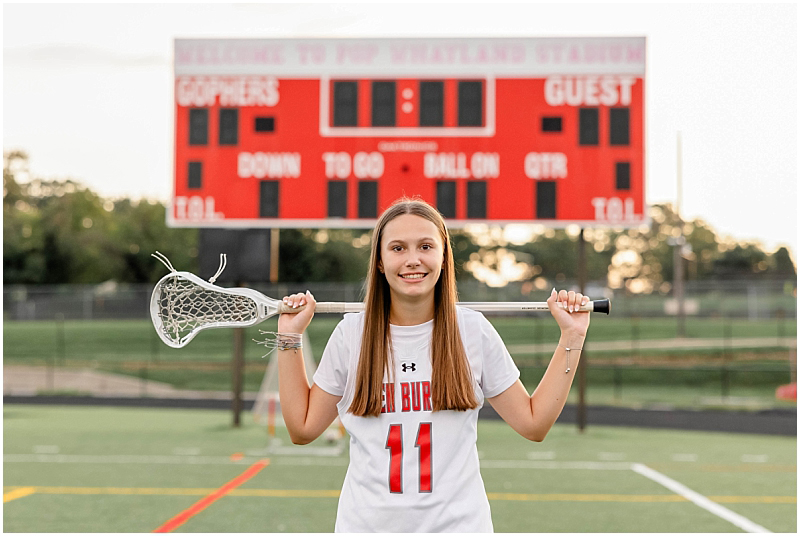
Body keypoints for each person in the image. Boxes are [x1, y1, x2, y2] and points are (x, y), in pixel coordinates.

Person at [277, 198, 591, 533]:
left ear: (443, 256)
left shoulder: (472, 330)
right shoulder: (351, 334)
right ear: (380, 262)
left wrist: (572, 335)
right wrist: (289, 338)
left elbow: (534, 423)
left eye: (426, 246)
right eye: (398, 248)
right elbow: (303, 428)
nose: (413, 260)